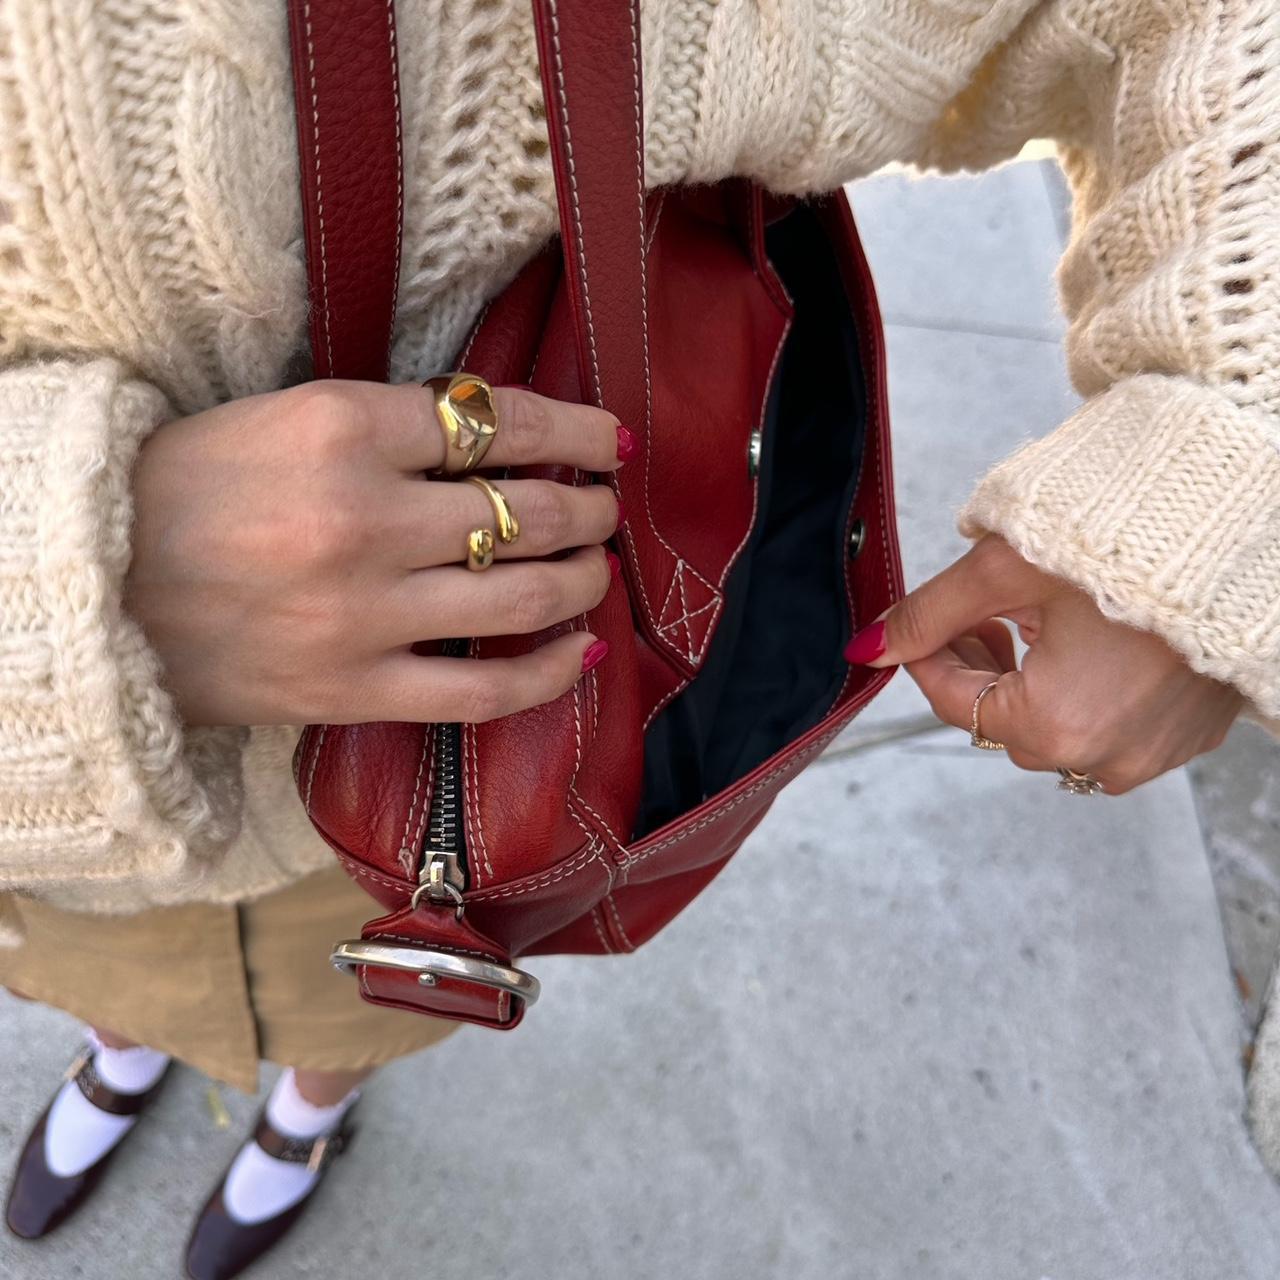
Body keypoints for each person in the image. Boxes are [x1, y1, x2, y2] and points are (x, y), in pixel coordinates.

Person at [0, 0, 1275, 1275]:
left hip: (482, 758)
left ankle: (306, 1115)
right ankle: (121, 1056)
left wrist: (1220, 458)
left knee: (373, 984)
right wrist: (68, 582)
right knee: (116, 969)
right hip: (51, 783)